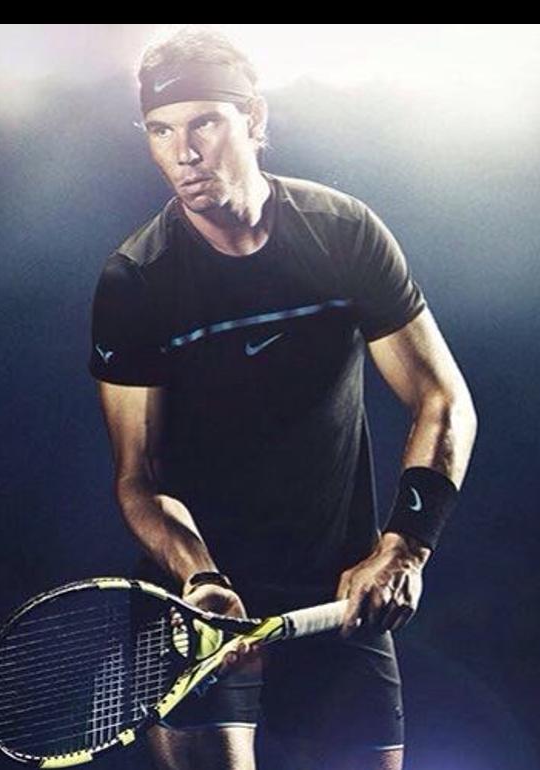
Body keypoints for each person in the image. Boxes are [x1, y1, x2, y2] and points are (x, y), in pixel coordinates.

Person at [88, 26, 477, 770]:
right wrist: (199, 577)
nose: (183, 152)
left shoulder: (342, 233)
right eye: (161, 130)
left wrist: (404, 548)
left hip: (340, 593)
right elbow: (139, 476)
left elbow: (441, 399)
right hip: (200, 602)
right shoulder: (137, 281)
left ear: (255, 119)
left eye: (204, 122)